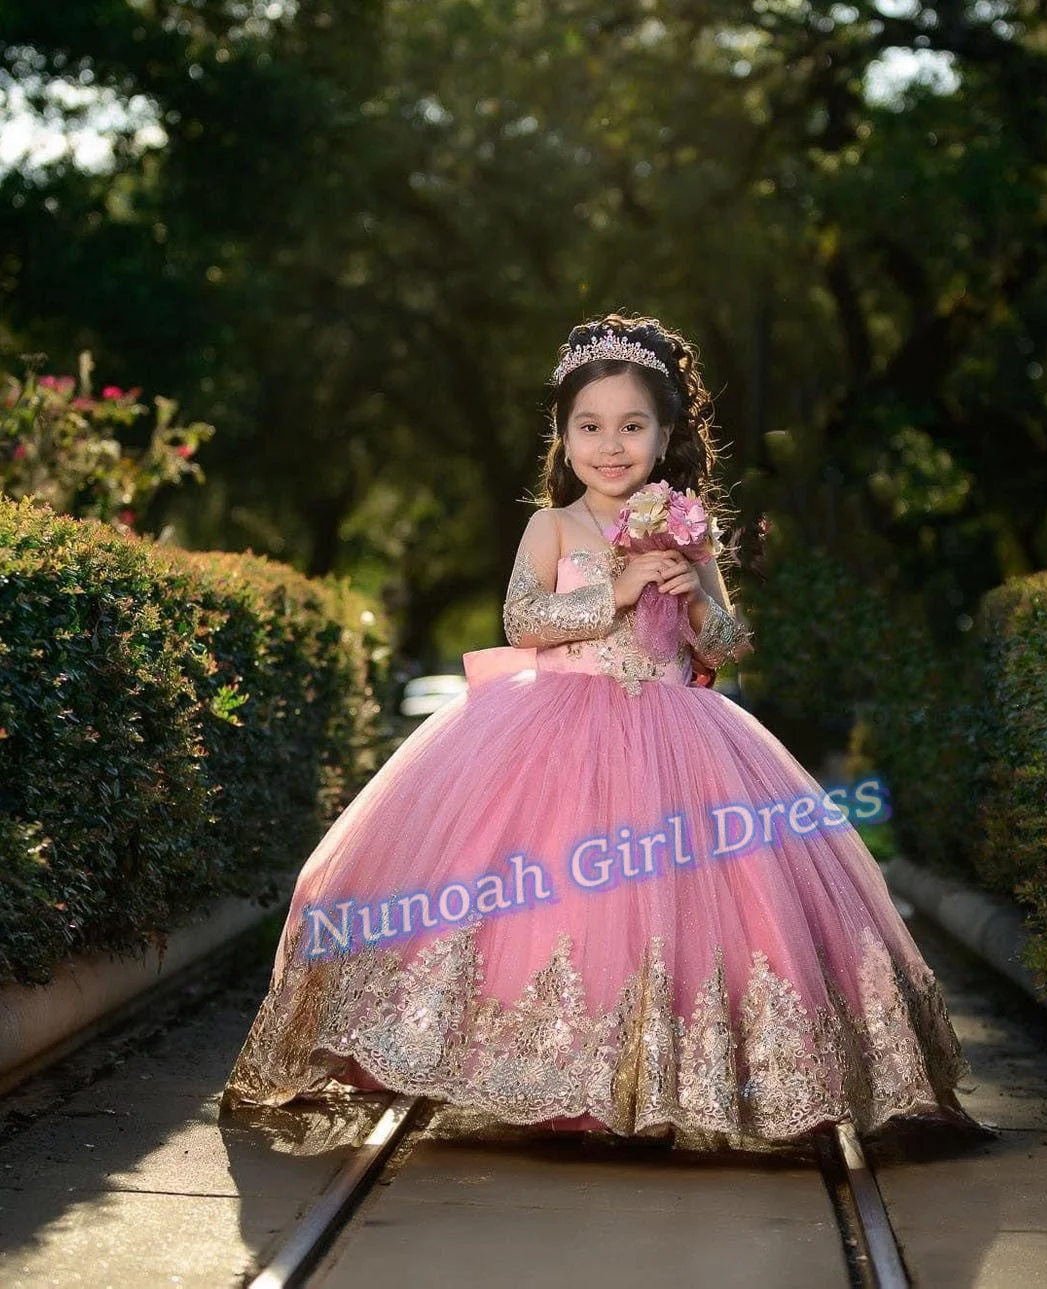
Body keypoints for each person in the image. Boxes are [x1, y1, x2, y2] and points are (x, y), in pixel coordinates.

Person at [221, 311, 975, 1151]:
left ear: (663, 434)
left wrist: (690, 594)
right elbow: (520, 619)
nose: (609, 446)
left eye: (630, 426)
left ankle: (659, 1078)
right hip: (552, 730)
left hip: (675, 736)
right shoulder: (553, 526)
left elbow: (727, 644)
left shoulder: (688, 528)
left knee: (679, 903)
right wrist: (612, 593)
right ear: (562, 433)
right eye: (590, 426)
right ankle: (546, 1074)